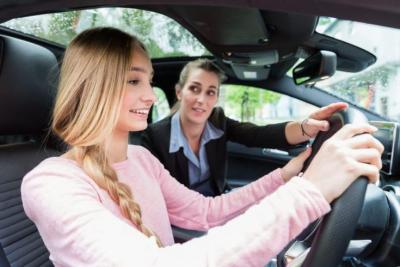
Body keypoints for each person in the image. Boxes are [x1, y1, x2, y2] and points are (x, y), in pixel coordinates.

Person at [21, 27, 383, 267]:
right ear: (93, 86)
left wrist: (288, 176)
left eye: (148, 81)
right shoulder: (50, 183)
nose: (149, 96)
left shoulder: (142, 159)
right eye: (133, 80)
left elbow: (208, 213)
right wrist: (309, 192)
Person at [141, 58, 348, 196]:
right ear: (179, 92)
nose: (201, 100)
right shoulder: (155, 137)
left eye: (211, 92)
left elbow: (258, 135)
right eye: (194, 89)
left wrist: (304, 127)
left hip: (218, 199)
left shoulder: (217, 120)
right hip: (183, 215)